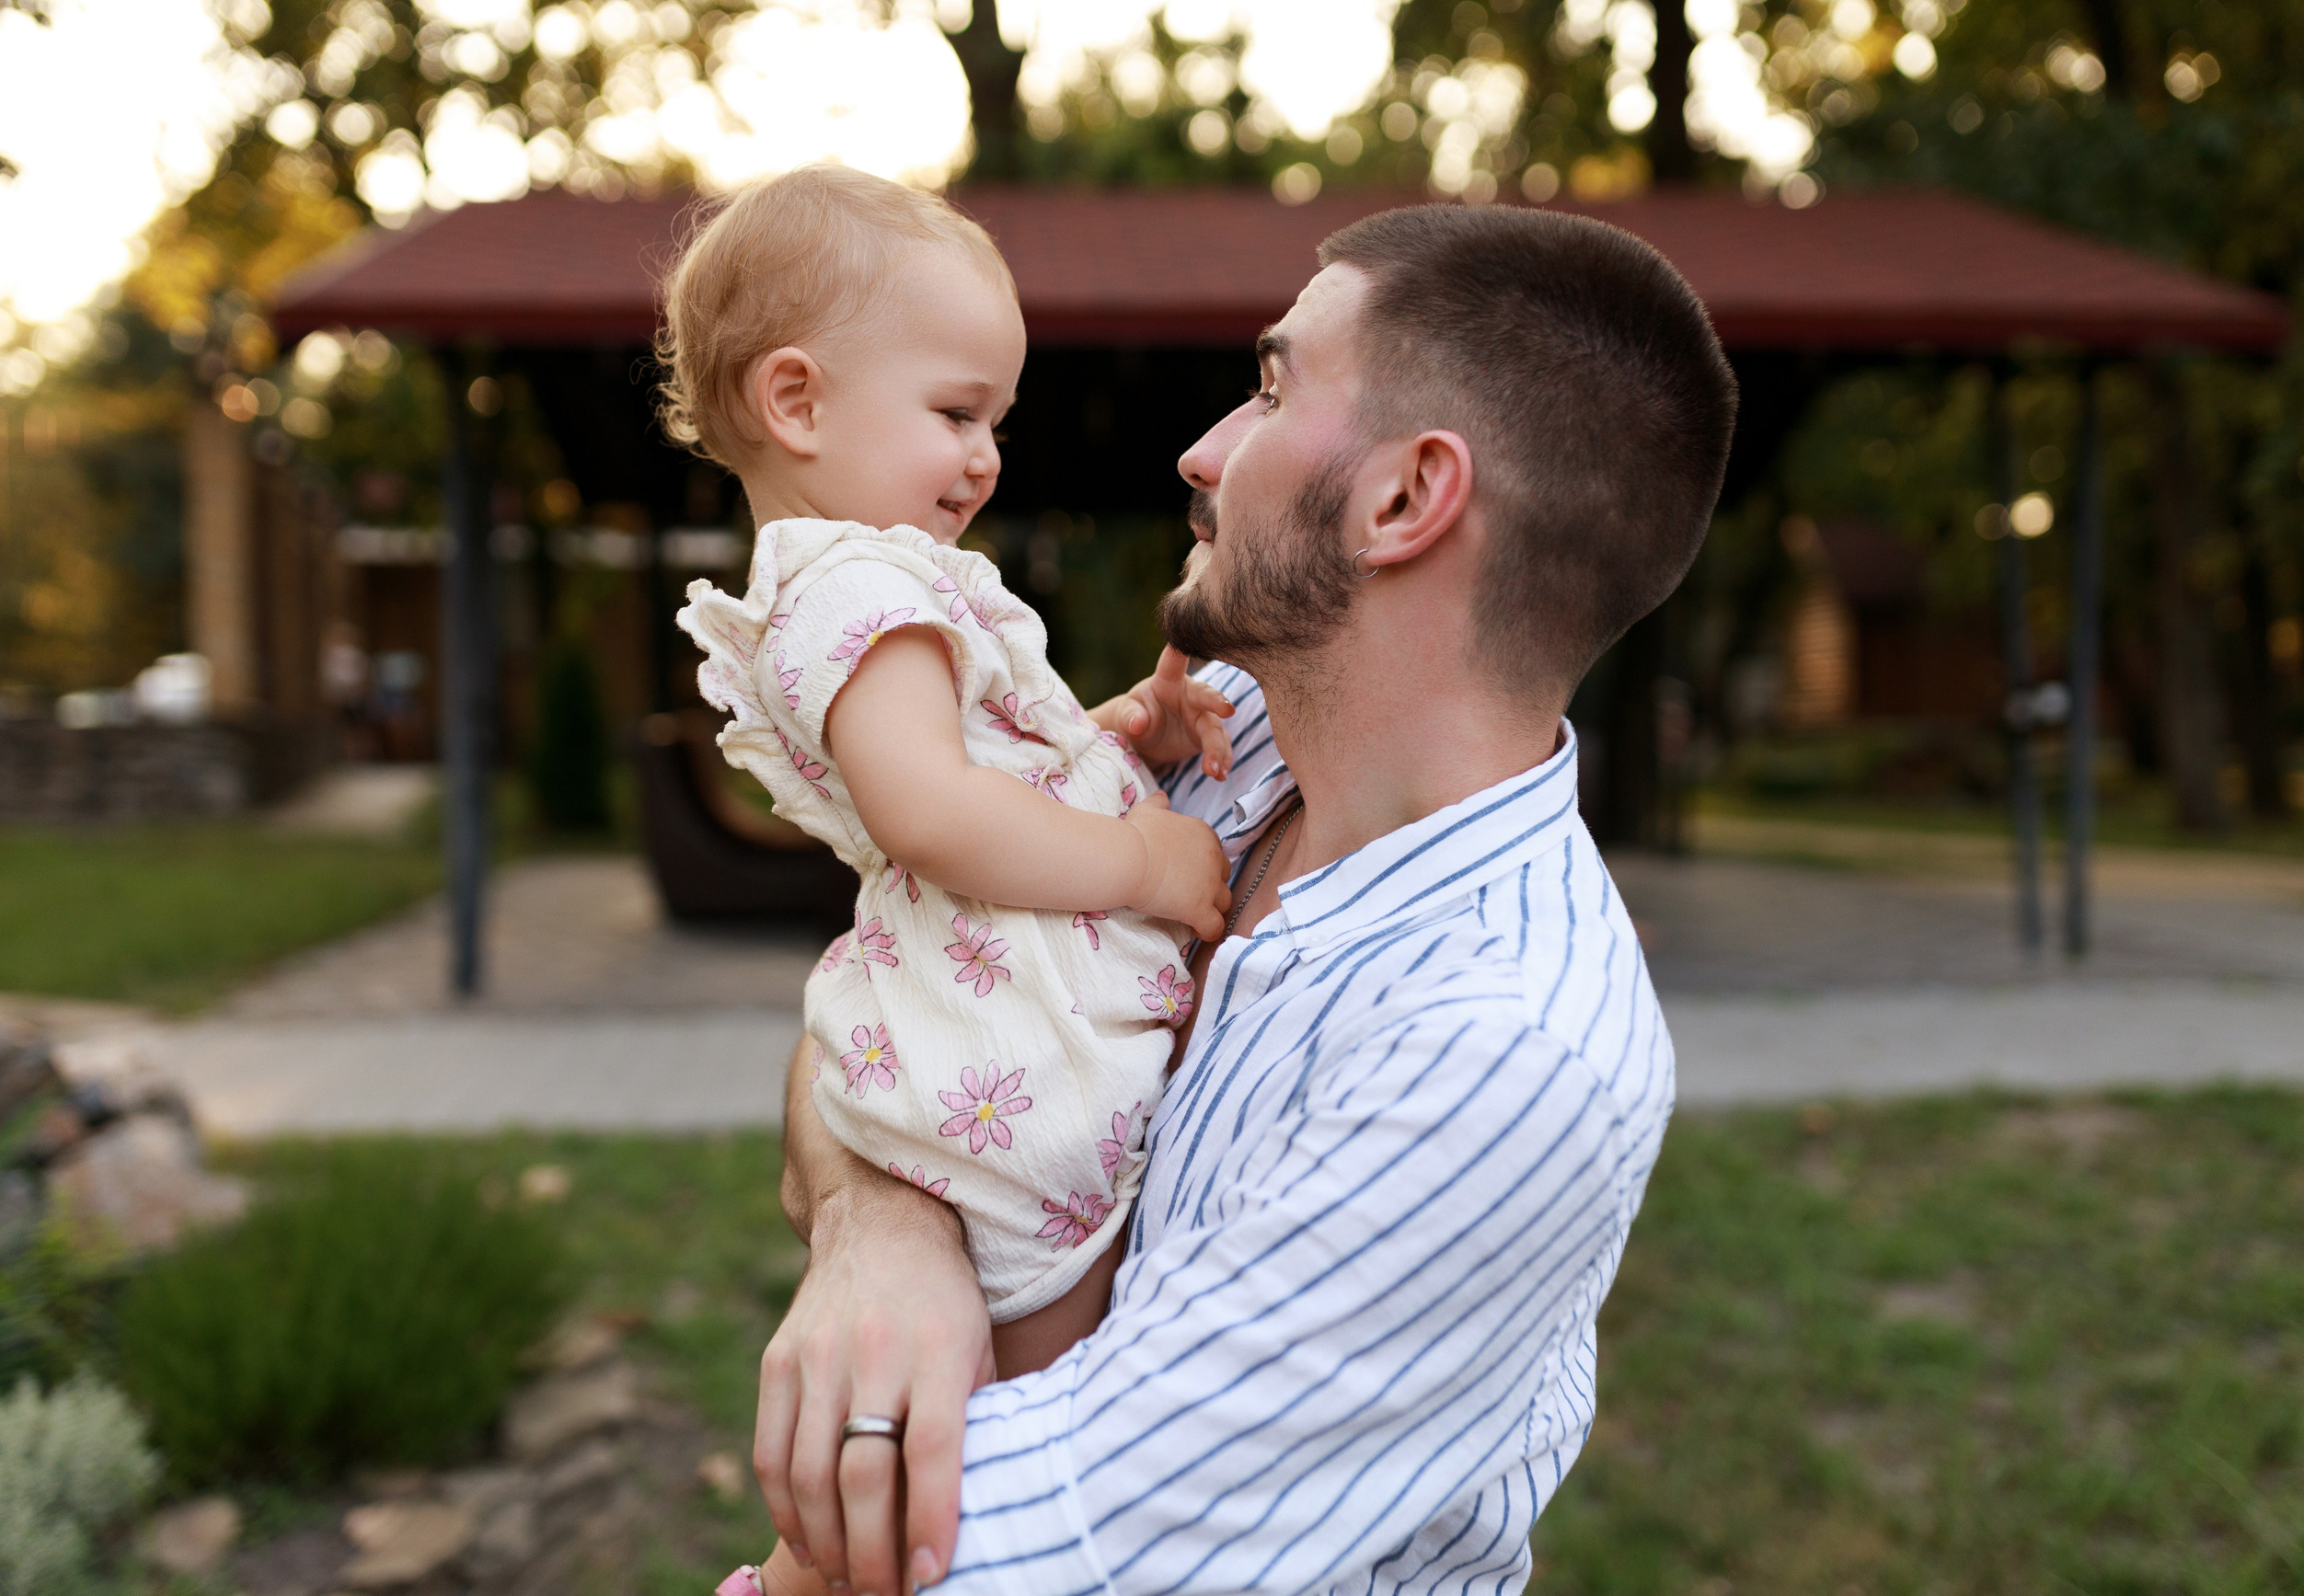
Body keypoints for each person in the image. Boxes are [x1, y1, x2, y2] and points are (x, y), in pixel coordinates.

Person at [746, 198, 1739, 1596]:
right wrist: (885, 1230)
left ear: (1405, 499)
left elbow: (1035, 1548)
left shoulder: (1508, 1046)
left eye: (1272, 389)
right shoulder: (1216, 742)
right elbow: (888, 989)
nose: (1200, 450)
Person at [656, 166, 1247, 1595]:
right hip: (995, 1074)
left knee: (984, 1436)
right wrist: (1144, 855)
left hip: (969, 1021)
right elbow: (931, 813)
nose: (985, 457)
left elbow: (989, 764)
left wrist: (1113, 731)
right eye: (955, 412)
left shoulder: (872, 586)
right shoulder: (865, 593)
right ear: (797, 403)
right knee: (996, 1445)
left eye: (996, 419)